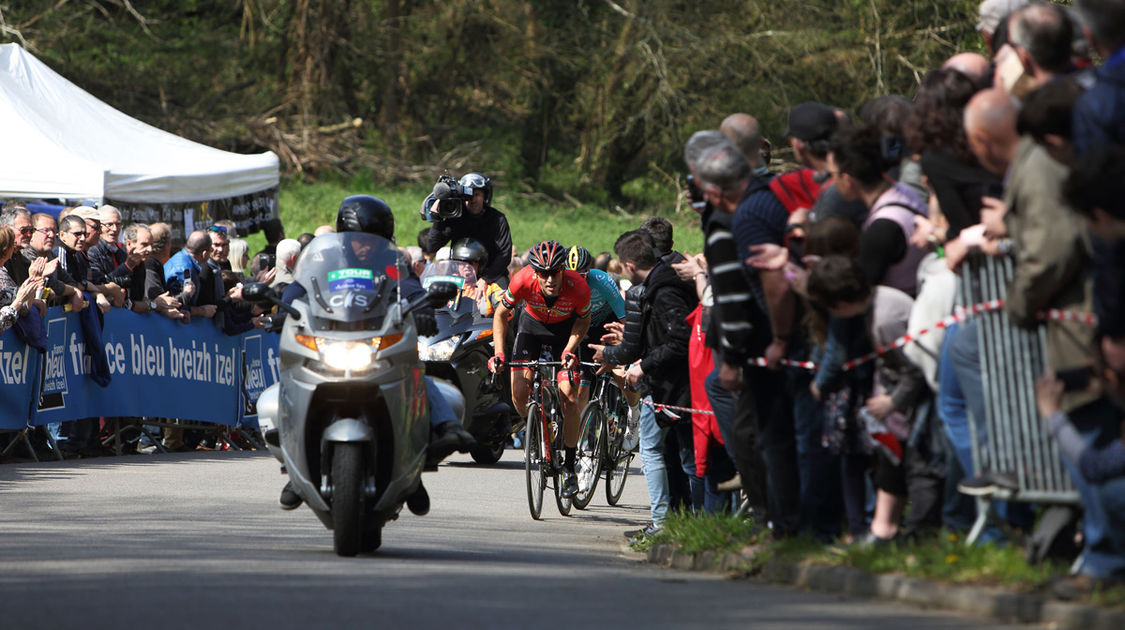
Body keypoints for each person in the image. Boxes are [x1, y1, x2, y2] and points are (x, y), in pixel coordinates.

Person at [276, 194, 474, 512]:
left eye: (374, 240)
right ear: (345, 236)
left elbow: (410, 288)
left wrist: (422, 307)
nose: (366, 246)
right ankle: (297, 470)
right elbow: (299, 288)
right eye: (361, 240)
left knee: (414, 371)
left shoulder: (391, 262)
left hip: (376, 343)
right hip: (330, 342)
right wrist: (283, 307)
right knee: (294, 376)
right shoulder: (323, 261)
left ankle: (435, 440)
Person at [489, 240, 591, 498]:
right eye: (543, 273)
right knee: (518, 395)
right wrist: (498, 353)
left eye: (554, 272)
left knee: (569, 397)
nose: (549, 279)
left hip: (564, 335)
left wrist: (570, 348)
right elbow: (500, 315)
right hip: (530, 330)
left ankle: (569, 466)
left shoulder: (577, 287)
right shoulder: (522, 280)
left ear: (562, 270)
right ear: (534, 272)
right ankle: (539, 427)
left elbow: (583, 320)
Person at [423, 172, 514, 289]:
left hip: (491, 274)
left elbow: (504, 254)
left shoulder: (497, 219)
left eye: (477, 195)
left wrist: (486, 279)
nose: (473, 200)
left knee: (501, 299)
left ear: (484, 196)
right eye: (468, 196)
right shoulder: (455, 216)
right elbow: (432, 246)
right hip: (458, 273)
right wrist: (438, 219)